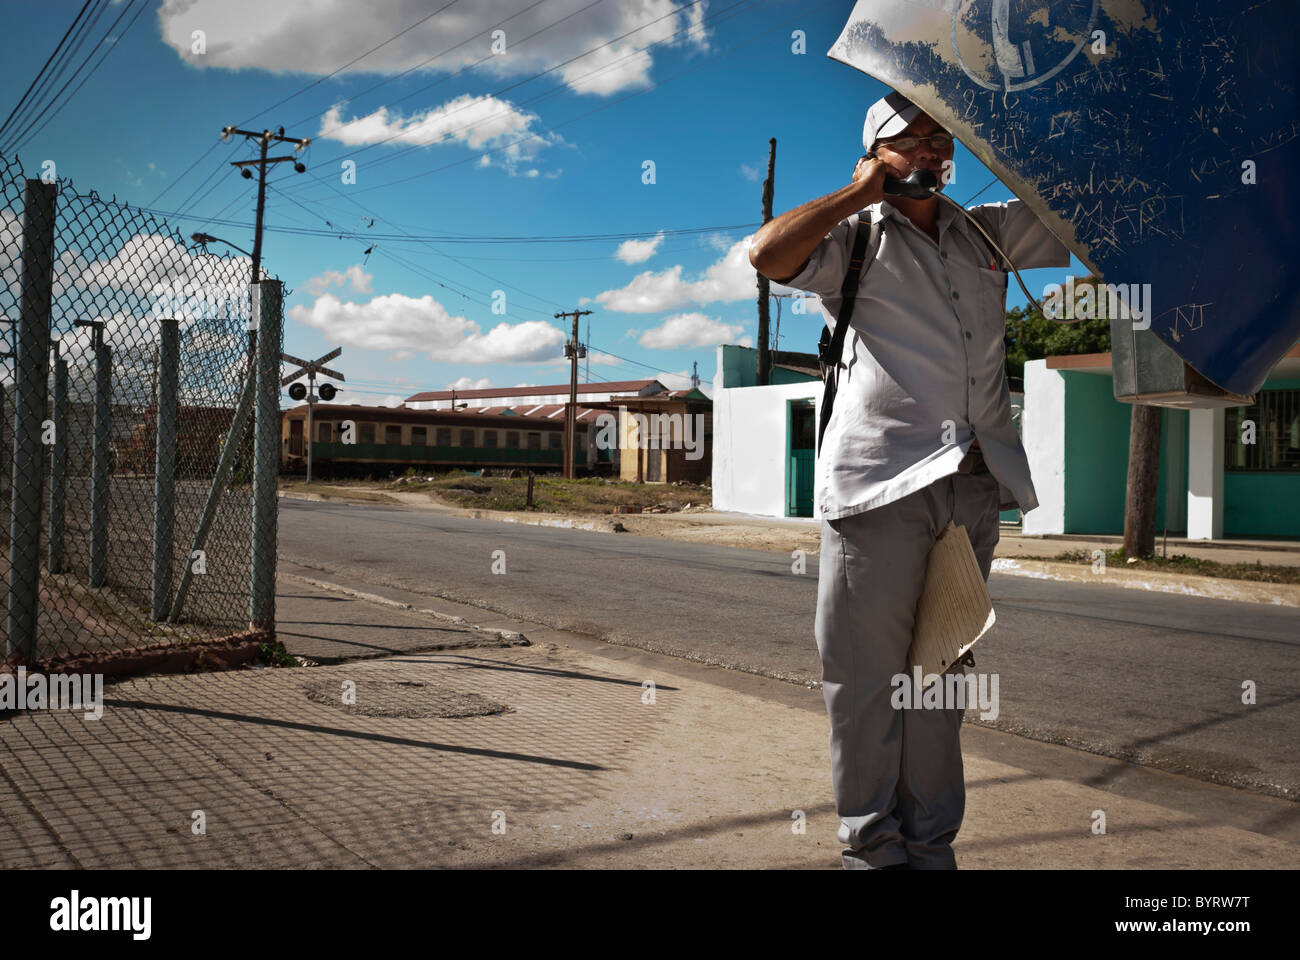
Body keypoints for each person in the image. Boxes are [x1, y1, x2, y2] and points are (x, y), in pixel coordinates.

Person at [749, 91, 1069, 869]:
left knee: (941, 683)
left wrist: (1002, 137)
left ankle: (930, 850)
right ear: (874, 150)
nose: (927, 150)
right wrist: (862, 192)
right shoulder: (852, 239)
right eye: (907, 140)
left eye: (937, 138)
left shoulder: (985, 234)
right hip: (878, 487)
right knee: (866, 683)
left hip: (971, 487)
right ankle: (871, 848)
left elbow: (1076, 213)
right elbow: (767, 255)